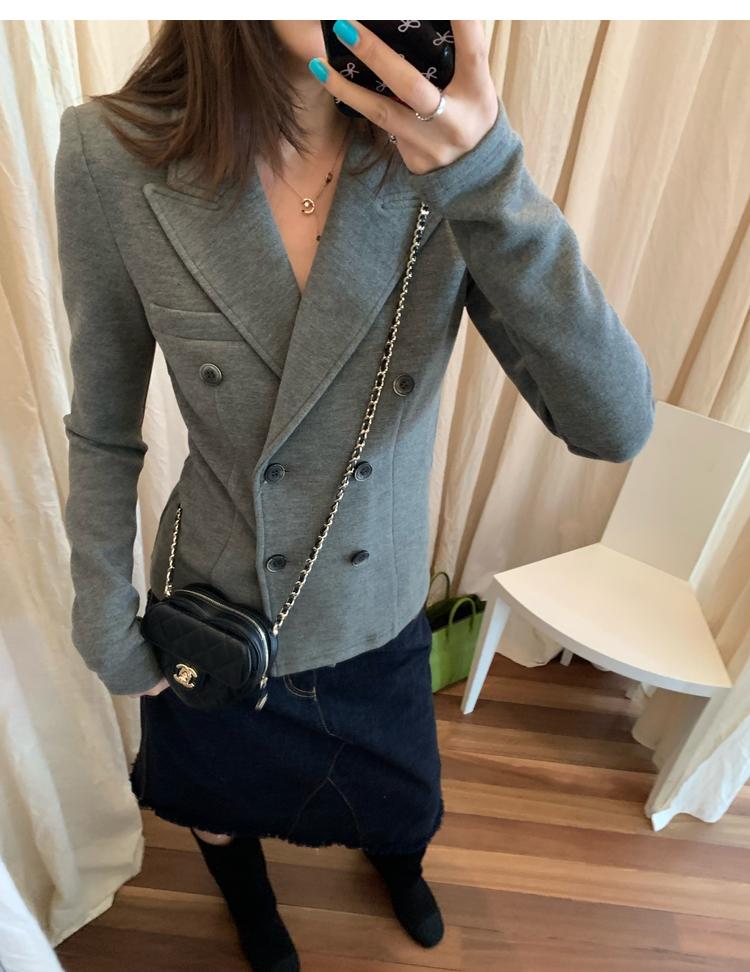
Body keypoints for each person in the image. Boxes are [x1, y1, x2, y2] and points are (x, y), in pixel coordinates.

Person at [54, 20, 655, 972]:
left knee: (402, 807)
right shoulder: (110, 153)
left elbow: (615, 424)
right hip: (216, 608)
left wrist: (484, 174)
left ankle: (399, 867)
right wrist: (102, 610)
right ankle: (251, 905)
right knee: (213, 800)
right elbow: (102, 423)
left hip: (375, 606)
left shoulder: (447, 153)